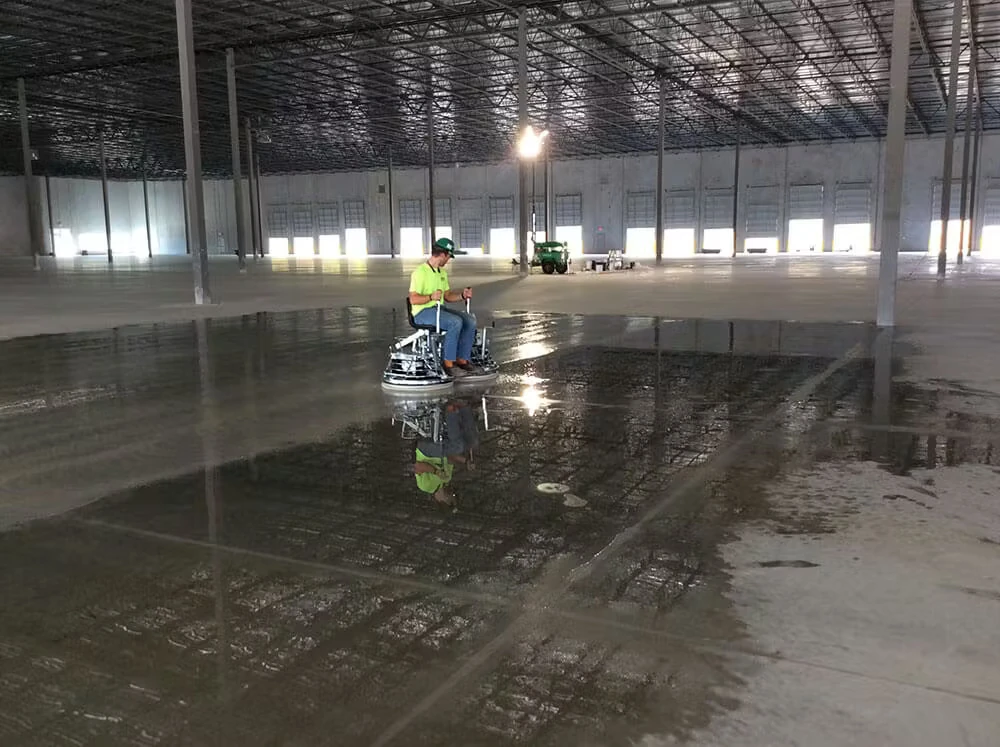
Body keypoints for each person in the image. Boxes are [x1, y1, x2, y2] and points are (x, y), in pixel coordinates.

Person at [408, 237, 480, 378]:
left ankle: (462, 359)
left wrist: (462, 296)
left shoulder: (442, 273)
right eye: (448, 257)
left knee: (469, 320)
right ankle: (448, 364)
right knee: (455, 322)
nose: (448, 260)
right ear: (442, 254)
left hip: (439, 308)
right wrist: (430, 297)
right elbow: (413, 299)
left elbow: (447, 296)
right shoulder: (420, 272)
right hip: (422, 312)